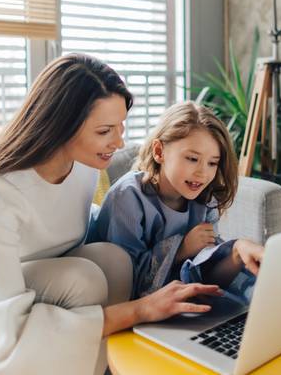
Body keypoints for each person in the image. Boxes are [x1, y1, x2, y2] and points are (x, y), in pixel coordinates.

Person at [0, 54, 223, 375]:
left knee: (113, 259)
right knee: (81, 279)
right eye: (104, 131)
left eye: (120, 127)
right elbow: (5, 340)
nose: (119, 143)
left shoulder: (85, 167)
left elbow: (66, 223)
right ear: (62, 125)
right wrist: (139, 309)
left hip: (14, 276)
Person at [91, 102, 264, 300]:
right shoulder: (128, 197)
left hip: (175, 306)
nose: (202, 173)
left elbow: (206, 275)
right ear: (159, 152)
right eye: (192, 158)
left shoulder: (205, 200)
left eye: (212, 163)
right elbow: (126, 285)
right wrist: (181, 249)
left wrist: (236, 252)